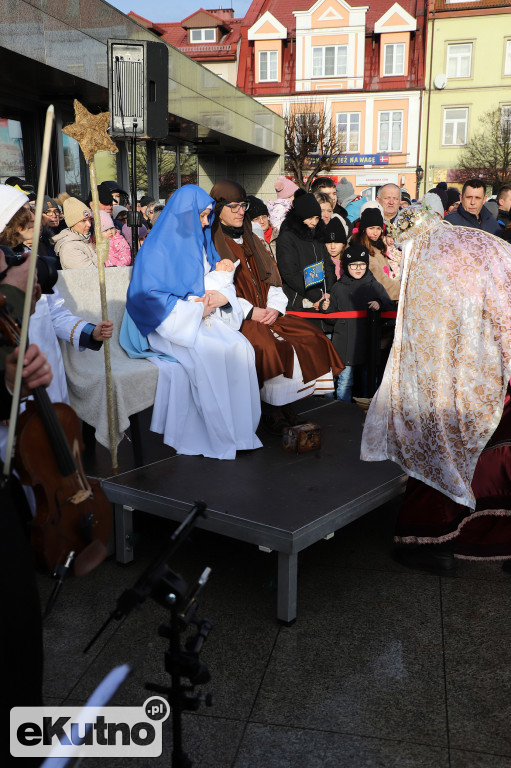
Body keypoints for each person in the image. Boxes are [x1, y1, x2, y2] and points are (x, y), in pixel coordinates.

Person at [361, 202, 511, 575]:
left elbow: (424, 342)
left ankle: (432, 544)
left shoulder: (429, 262)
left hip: (457, 387)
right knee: (496, 461)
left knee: (439, 455)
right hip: (497, 379)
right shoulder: (477, 244)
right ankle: (497, 537)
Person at [121, 184, 262, 460]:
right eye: (202, 216)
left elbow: (214, 277)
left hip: (199, 315)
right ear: (185, 214)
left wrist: (220, 296)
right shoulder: (157, 248)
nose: (207, 222)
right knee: (212, 355)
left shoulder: (201, 240)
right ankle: (216, 436)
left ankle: (240, 434)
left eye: (209, 215)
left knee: (240, 348)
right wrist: (195, 308)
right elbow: (147, 296)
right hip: (167, 323)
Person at [210, 180, 343, 431]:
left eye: (243, 206)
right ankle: (271, 409)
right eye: (235, 206)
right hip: (234, 317)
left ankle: (286, 405)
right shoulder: (212, 244)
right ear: (219, 209)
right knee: (268, 346)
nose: (241, 211)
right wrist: (251, 311)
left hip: (267, 312)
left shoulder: (252, 238)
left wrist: (274, 308)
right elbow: (213, 288)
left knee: (309, 336)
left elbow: (273, 280)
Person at [320, 243, 393, 402]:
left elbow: (389, 305)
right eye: (353, 265)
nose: (358, 268)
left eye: (362, 264)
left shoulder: (374, 285)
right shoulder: (338, 288)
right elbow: (331, 318)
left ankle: (368, 410)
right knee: (346, 381)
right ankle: (342, 411)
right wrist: (325, 308)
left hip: (368, 342)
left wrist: (379, 303)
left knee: (368, 380)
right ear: (346, 266)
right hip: (346, 344)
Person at [276, 192, 336, 311]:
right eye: (310, 218)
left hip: (324, 298)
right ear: (300, 217)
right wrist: (317, 296)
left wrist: (329, 291)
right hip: (298, 300)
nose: (314, 222)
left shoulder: (318, 236)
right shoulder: (287, 237)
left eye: (317, 218)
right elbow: (290, 273)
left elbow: (328, 265)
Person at [350, 207, 401, 300]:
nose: (375, 233)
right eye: (371, 228)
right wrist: (402, 290)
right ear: (364, 229)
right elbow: (380, 279)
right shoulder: (359, 249)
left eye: (378, 228)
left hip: (383, 296)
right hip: (372, 298)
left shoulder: (379, 245)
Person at [53, 198, 97, 268]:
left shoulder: (85, 240)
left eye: (89, 220)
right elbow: (90, 274)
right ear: (72, 223)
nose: (89, 224)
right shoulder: (69, 248)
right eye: (83, 221)